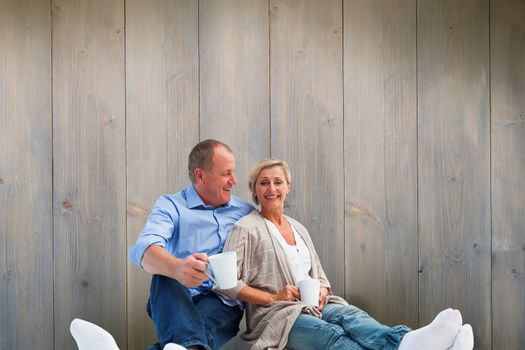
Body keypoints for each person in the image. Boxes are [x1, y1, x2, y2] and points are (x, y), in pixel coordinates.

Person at [216, 158, 474, 350]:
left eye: (277, 182)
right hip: (278, 316)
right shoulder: (245, 228)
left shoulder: (299, 228)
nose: (271, 188)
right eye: (264, 183)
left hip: (316, 306)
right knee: (331, 335)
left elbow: (320, 277)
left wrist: (322, 293)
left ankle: (406, 341)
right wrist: (273, 297)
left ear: (288, 186)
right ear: (255, 189)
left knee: (353, 318)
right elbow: (226, 284)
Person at [128, 139, 253, 350]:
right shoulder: (171, 206)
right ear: (200, 175)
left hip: (220, 301)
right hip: (174, 298)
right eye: (226, 173)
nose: (235, 180)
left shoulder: (245, 212)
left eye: (234, 172)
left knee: (186, 340)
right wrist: (178, 268)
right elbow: (145, 247)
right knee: (164, 275)